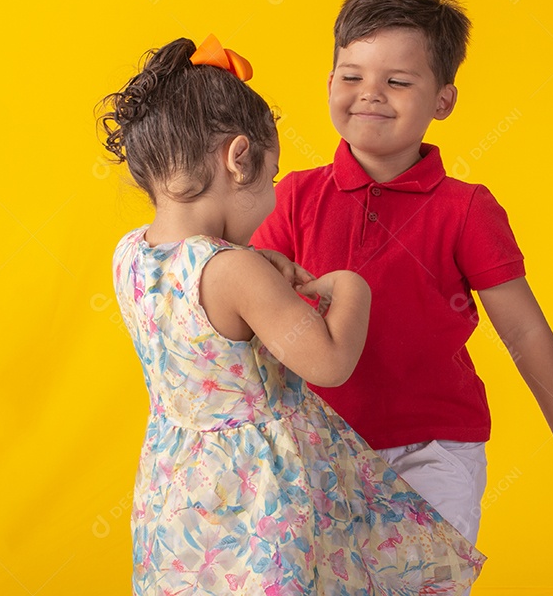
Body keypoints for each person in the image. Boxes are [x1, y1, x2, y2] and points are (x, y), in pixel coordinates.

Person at [100, 33, 484, 595]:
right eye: (272, 176)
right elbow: (328, 363)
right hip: (259, 492)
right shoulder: (233, 272)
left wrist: (257, 268)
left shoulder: (131, 254)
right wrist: (351, 287)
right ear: (238, 159)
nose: (275, 195)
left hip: (181, 490)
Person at [251, 0, 553, 561]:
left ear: (442, 101)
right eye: (352, 76)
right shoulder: (290, 197)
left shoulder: (466, 209)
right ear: (329, 83)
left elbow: (523, 332)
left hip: (434, 449)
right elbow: (250, 318)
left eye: (397, 81)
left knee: (422, 580)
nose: (370, 94)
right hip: (311, 448)